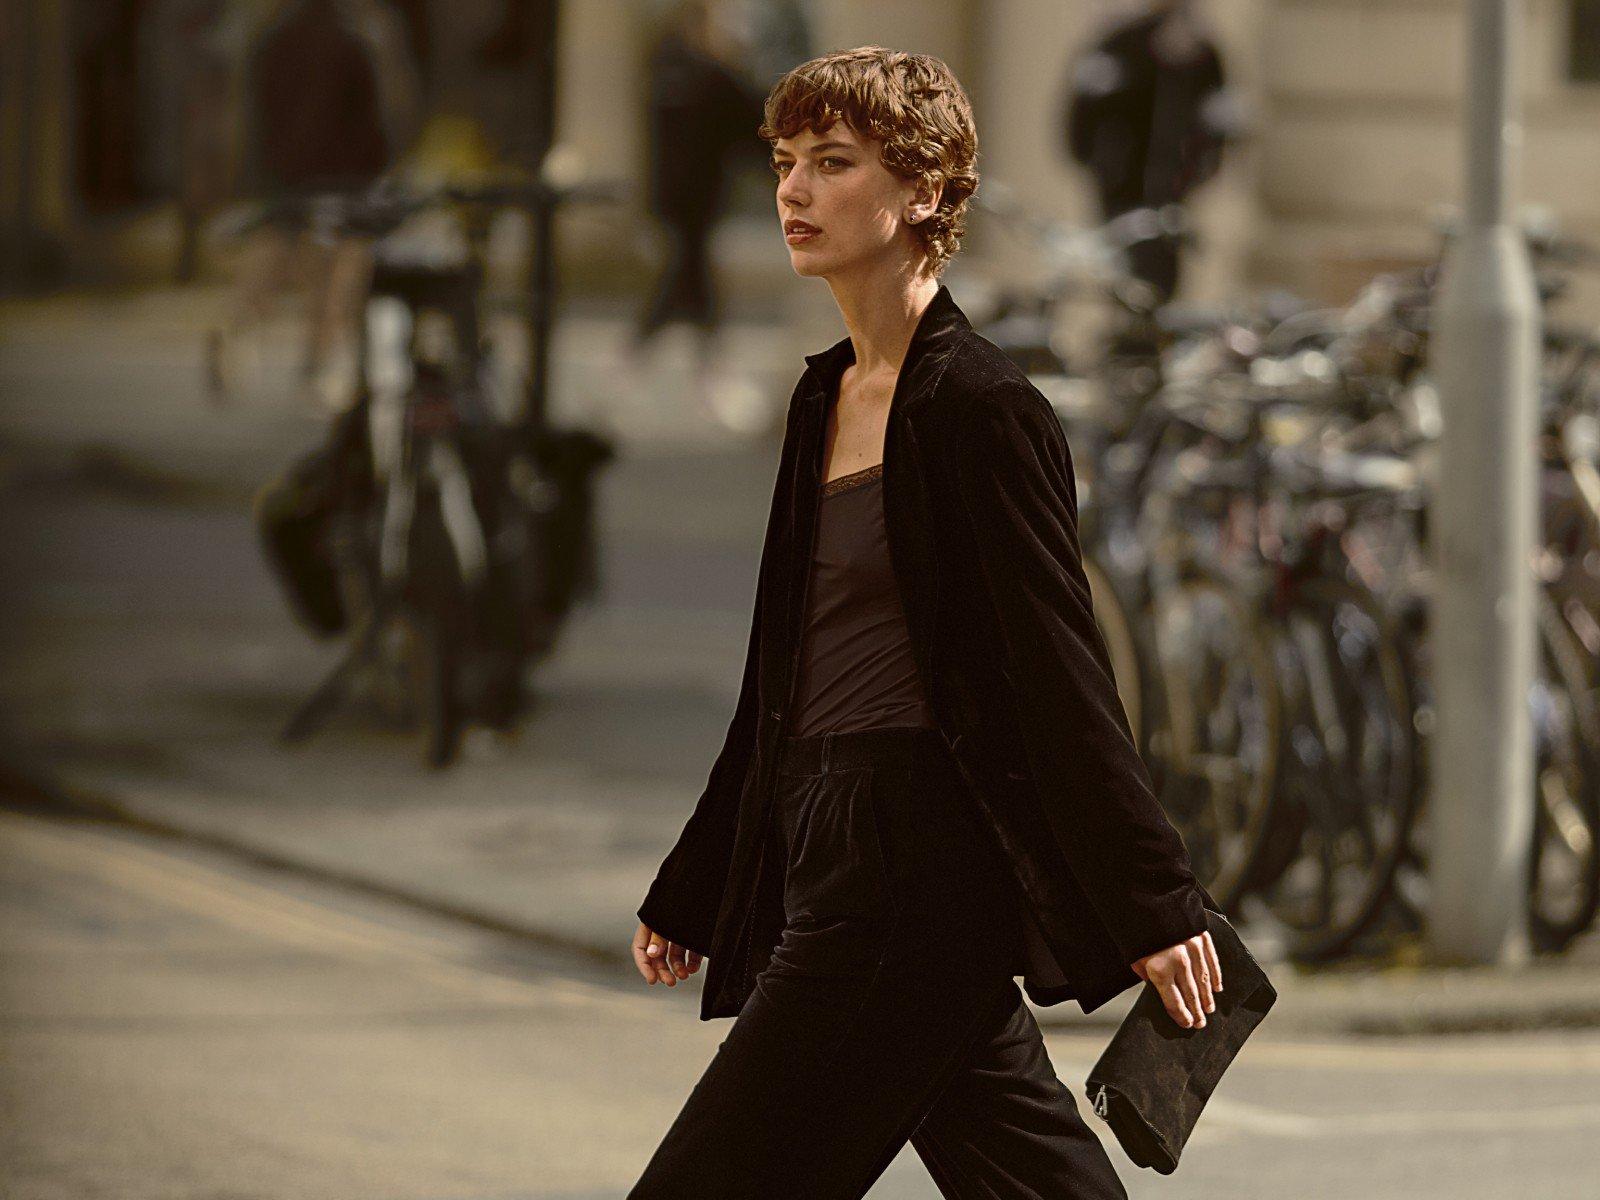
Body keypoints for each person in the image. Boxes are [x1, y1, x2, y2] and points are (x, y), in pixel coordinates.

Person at [627, 46, 1222, 1199]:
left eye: (834, 163)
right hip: (831, 843)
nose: (793, 191)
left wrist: (1151, 898)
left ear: (927, 193)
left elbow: (1056, 672)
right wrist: (700, 877)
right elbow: (781, 678)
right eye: (787, 162)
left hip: (910, 872)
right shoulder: (822, 399)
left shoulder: (982, 409)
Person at [630, 1, 764, 402]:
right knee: (689, 273)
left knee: (688, 272)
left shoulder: (672, 65)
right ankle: (697, 360)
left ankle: (672, 354)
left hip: (684, 196)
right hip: (691, 196)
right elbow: (753, 122)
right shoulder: (704, 72)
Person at [1064, 0, 1238, 303]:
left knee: (1163, 278)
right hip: (1121, 191)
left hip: (1173, 197)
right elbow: (1082, 116)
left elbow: (1219, 122)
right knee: (1118, 274)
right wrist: (1102, 167)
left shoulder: (1201, 52)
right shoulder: (1118, 45)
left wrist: (1197, 173)